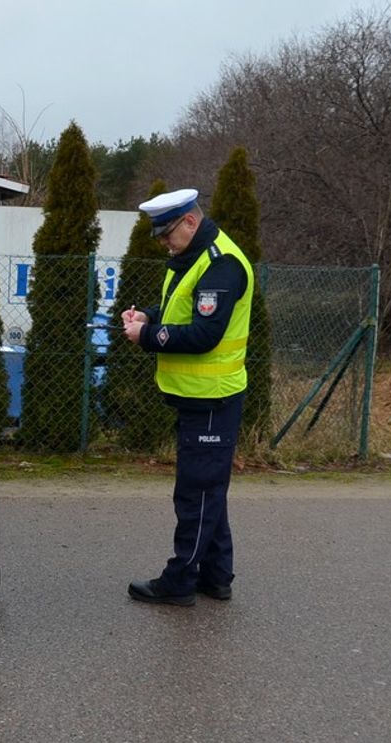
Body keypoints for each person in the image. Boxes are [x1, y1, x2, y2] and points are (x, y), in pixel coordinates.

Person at [121, 188, 254, 606]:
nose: (163, 242)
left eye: (167, 233)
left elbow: (204, 334)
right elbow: (185, 313)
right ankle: (216, 576)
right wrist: (151, 316)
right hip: (199, 397)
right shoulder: (194, 259)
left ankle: (179, 581)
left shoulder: (220, 264)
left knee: (196, 493)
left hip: (212, 398)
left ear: (191, 222)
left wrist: (146, 336)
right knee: (208, 488)